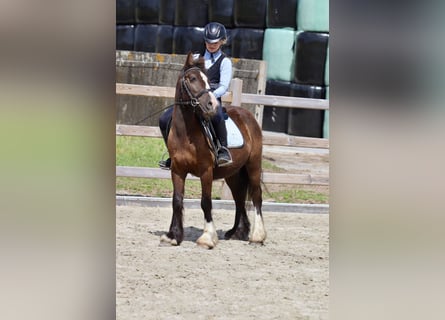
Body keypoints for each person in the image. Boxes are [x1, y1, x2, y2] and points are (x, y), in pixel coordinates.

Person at [159, 22, 233, 169]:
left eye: (215, 42)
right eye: (208, 42)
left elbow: (224, 86)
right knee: (164, 118)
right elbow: (185, 77)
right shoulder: (196, 57)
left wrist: (208, 95)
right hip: (192, 100)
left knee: (217, 116)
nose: (211, 45)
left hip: (211, 99)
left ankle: (222, 150)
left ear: (222, 41)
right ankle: (172, 153)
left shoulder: (225, 62)